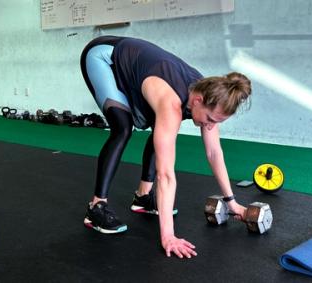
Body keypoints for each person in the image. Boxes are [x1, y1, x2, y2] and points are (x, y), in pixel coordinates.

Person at [80, 36, 252, 259]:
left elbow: (214, 152)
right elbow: (166, 175)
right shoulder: (172, 104)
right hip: (104, 56)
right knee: (123, 128)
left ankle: (143, 196)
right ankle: (96, 207)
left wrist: (232, 203)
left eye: (217, 122)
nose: (211, 125)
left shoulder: (211, 93)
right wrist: (168, 236)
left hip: (141, 69)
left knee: (161, 131)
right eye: (210, 119)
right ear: (198, 100)